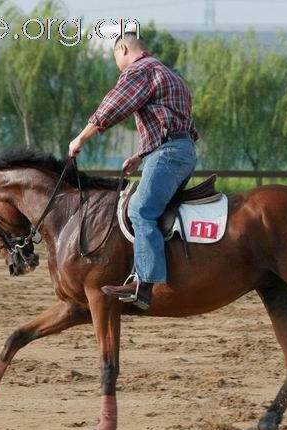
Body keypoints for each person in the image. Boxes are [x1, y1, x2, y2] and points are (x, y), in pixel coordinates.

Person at [68, 31, 198, 310]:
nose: (118, 66)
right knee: (152, 208)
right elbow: (175, 125)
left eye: (116, 57)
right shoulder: (170, 74)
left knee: (140, 210)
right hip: (181, 151)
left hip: (168, 154)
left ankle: (144, 283)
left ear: (124, 49)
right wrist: (141, 155)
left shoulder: (141, 70)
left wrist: (81, 137)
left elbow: (114, 106)